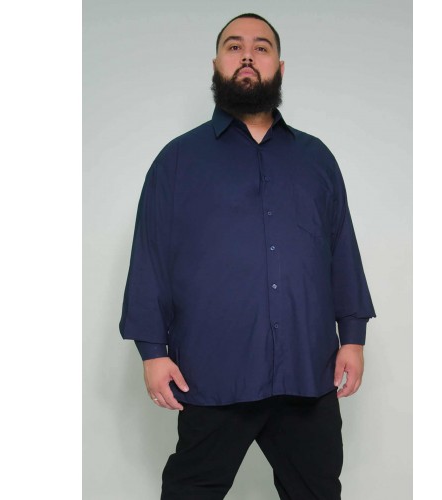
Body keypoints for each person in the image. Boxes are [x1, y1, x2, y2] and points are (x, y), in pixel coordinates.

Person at [119, 12, 376, 500]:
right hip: (214, 371)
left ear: (280, 66)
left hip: (307, 369)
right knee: (190, 491)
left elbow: (342, 249)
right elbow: (150, 257)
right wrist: (152, 352)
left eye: (261, 48)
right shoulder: (177, 160)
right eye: (234, 47)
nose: (247, 57)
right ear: (216, 64)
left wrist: (353, 338)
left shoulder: (316, 159)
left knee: (318, 492)